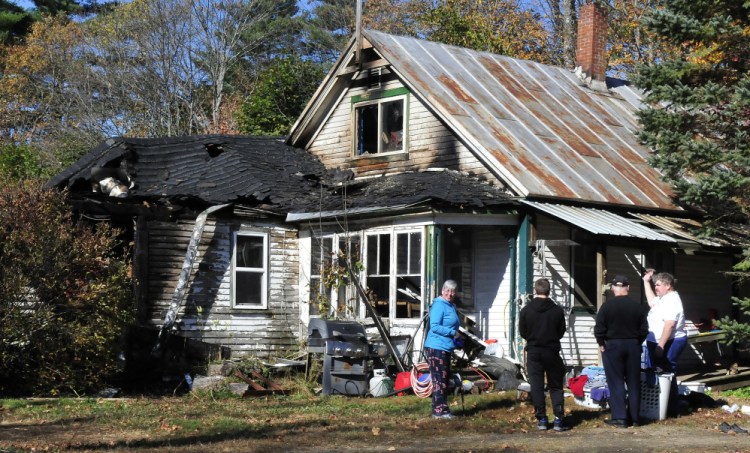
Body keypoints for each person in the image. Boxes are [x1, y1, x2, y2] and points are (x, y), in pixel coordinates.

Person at [594, 274, 648, 428]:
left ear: (612, 288)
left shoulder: (606, 307)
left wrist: (601, 343)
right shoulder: (638, 306)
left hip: (613, 345)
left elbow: (599, 328)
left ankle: (620, 417)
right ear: (628, 288)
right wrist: (637, 342)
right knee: (633, 381)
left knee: (616, 380)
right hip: (633, 345)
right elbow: (644, 329)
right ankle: (635, 418)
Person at [519, 278, 569, 431]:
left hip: (534, 351)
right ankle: (559, 418)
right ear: (549, 291)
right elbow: (561, 331)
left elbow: (523, 332)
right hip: (552, 351)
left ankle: (541, 418)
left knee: (537, 386)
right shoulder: (557, 310)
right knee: (555, 385)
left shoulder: (526, 310)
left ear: (535, 290)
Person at [642, 269, 687, 417]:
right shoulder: (662, 298)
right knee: (657, 370)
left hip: (671, 340)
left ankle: (672, 408)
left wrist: (661, 345)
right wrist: (645, 282)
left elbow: (670, 325)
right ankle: (657, 404)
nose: (656, 287)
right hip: (657, 339)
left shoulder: (672, 300)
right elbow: (651, 301)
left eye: (659, 285)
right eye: (655, 285)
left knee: (667, 371)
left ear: (668, 285)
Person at [424, 279, 461, 420]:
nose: (450, 294)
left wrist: (456, 339)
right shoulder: (439, 305)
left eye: (453, 291)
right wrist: (452, 333)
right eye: (448, 290)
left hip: (445, 346)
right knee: (439, 379)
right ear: (442, 290)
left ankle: (442, 409)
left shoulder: (450, 305)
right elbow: (434, 326)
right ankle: (439, 411)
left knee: (444, 379)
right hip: (436, 347)